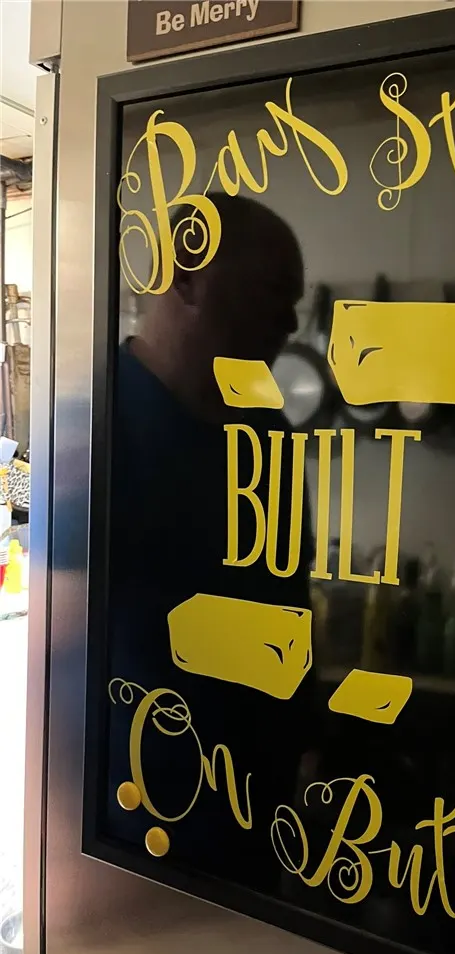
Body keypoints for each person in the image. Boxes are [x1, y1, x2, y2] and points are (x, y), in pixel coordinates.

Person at [107, 193, 315, 891]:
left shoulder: (269, 437)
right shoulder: (87, 422)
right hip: (118, 832)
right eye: (275, 291)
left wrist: (303, 751)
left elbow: (289, 606)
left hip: (250, 827)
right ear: (189, 280)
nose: (290, 322)